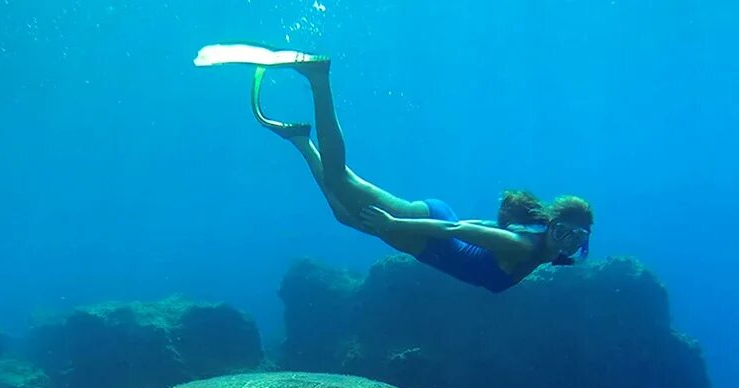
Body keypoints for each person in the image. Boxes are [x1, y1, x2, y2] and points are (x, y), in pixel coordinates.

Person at [195, 44, 594, 293]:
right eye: (562, 230)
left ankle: (300, 139)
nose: (566, 241)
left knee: (343, 213)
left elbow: (476, 225)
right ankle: (318, 79)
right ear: (551, 225)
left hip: (433, 232)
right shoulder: (524, 246)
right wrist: (395, 223)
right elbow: (457, 230)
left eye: (575, 237)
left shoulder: (537, 246)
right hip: (431, 238)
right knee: (340, 178)